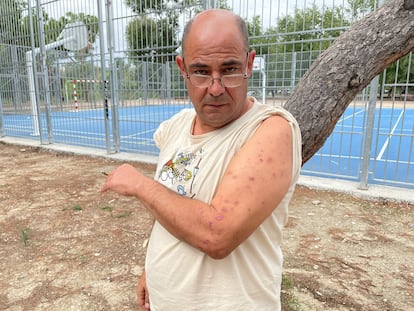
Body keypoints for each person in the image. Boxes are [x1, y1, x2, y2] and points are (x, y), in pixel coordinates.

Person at [101, 8, 302, 311]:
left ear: (249, 63)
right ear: (183, 68)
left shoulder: (271, 130)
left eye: (230, 69)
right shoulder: (176, 126)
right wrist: (151, 269)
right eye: (201, 72)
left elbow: (216, 235)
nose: (216, 87)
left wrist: (140, 186)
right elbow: (170, 204)